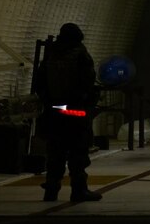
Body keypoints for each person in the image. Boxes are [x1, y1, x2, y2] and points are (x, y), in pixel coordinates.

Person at [35, 22, 102, 203]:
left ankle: (51, 190)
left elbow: (40, 83)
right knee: (78, 153)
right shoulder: (80, 54)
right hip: (75, 112)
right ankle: (79, 190)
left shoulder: (51, 54)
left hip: (54, 111)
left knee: (55, 153)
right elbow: (87, 81)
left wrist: (50, 103)